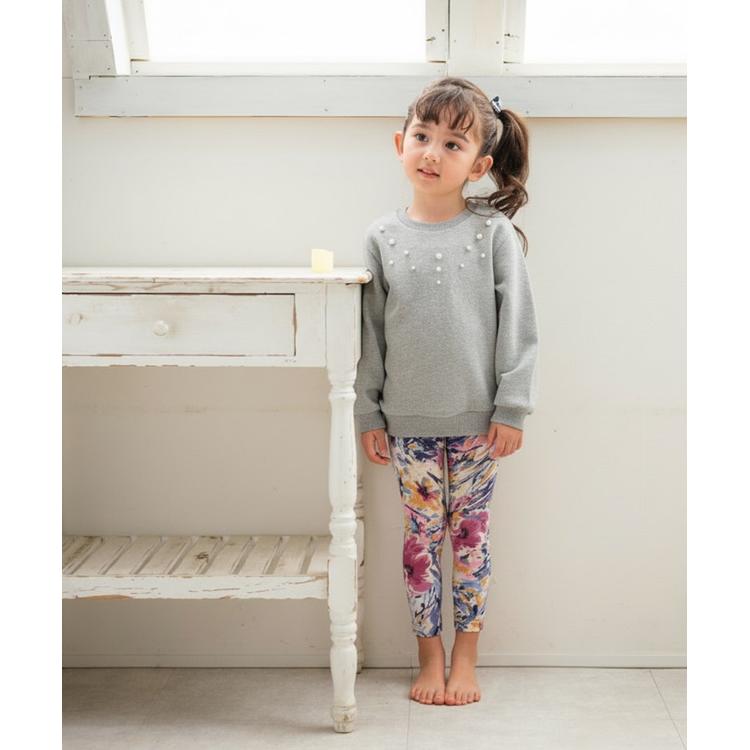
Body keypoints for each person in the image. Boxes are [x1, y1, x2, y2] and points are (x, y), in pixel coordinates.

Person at [353, 76, 539, 706]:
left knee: (471, 541)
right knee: (420, 543)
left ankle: (466, 659)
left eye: (453, 144)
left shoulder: (493, 234)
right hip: (406, 424)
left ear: (479, 165)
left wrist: (512, 407)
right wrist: (369, 412)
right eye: (423, 136)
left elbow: (519, 326)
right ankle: (429, 658)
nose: (432, 153)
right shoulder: (381, 238)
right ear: (400, 143)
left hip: (480, 425)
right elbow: (370, 336)